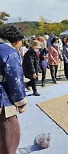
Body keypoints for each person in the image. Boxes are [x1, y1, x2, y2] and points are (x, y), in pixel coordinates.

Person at [0, 25, 27, 154]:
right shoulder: (9, 53)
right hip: (3, 100)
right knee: (9, 135)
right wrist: (21, 102)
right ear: (16, 41)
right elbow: (15, 80)